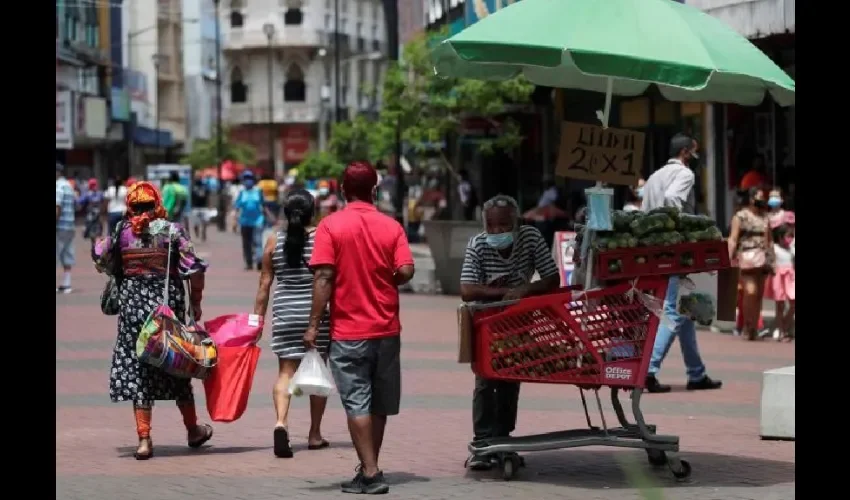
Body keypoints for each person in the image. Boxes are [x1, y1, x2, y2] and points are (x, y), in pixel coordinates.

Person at [305, 161, 415, 495]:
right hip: (386, 329)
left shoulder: (330, 226)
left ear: (342, 189)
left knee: (357, 404)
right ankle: (370, 467)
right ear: (374, 190)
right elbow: (407, 270)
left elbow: (324, 277)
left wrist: (312, 325)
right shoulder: (391, 226)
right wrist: (387, 280)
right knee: (378, 404)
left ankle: (370, 471)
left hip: (349, 332)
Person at [92, 181, 212, 460]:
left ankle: (144, 439)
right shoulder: (173, 232)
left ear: (130, 206)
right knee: (178, 363)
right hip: (166, 308)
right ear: (158, 204)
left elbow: (100, 255)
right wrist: (196, 302)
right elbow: (194, 268)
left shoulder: (121, 232)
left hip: (133, 310)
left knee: (139, 370)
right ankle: (193, 429)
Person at [459, 194, 561, 470]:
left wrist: (527, 289)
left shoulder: (530, 238)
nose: (497, 232)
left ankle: (503, 439)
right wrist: (504, 292)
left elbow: (552, 278)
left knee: (509, 378)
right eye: (492, 226)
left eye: (503, 226)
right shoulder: (478, 244)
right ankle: (482, 443)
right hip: (486, 322)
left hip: (517, 323)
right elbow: (467, 289)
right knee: (484, 381)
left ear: (515, 223)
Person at [642, 133, 722, 393]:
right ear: (686, 152)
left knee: (687, 310)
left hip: (655, 249)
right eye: (694, 153)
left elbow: (646, 213)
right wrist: (684, 231)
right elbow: (673, 201)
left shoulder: (654, 176)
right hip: (675, 249)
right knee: (673, 312)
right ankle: (649, 370)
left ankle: (696, 373)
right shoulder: (685, 174)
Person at [253, 189, 330, 458]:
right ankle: (314, 434)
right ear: (312, 212)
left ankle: (281, 422)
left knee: (286, 372)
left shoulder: (274, 241)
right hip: (315, 314)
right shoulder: (323, 239)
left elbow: (264, 284)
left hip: (285, 313)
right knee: (317, 372)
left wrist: (256, 321)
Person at [728, 186, 775, 341]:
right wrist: (729, 257)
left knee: (758, 295)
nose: (762, 200)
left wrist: (772, 259)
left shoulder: (765, 218)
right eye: (760, 196)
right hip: (746, 258)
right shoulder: (740, 216)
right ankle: (748, 325)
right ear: (751, 198)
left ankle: (754, 327)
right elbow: (733, 238)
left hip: (762, 260)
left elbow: (769, 240)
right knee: (750, 291)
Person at [764, 223, 795, 341]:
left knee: (793, 303)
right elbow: (769, 258)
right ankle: (781, 331)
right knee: (780, 305)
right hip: (778, 277)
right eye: (788, 236)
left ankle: (786, 324)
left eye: (792, 236)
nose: (790, 239)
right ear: (780, 237)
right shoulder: (775, 248)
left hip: (790, 278)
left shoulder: (791, 249)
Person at [234, 171, 266, 271]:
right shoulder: (241, 193)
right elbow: (237, 207)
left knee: (257, 241)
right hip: (244, 222)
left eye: (250, 178)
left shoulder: (258, 191)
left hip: (258, 221)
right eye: (246, 178)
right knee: (246, 243)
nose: (248, 181)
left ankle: (259, 260)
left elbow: (263, 205)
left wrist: (269, 217)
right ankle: (249, 262)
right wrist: (234, 221)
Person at [56, 163, 77, 294]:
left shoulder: (58, 187)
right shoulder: (69, 186)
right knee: (67, 254)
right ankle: (66, 284)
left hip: (60, 226)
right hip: (70, 224)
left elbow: (57, 207)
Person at [79, 178, 105, 242]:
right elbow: (103, 201)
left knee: (92, 236)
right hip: (98, 217)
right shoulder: (100, 193)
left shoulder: (87, 194)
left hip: (90, 218)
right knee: (98, 235)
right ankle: (97, 249)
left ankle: (94, 249)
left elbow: (80, 201)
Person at [191, 172, 210, 241]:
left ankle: (203, 233)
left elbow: (208, 195)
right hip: (195, 207)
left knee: (205, 221)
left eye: (199, 176)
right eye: (196, 176)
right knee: (195, 223)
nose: (198, 177)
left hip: (203, 206)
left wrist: (208, 205)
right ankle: (197, 232)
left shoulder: (204, 186)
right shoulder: (192, 186)